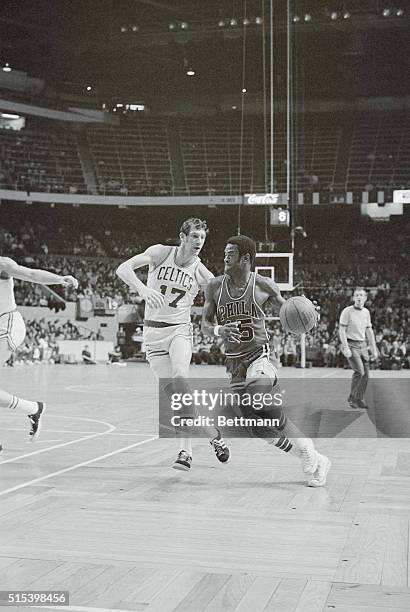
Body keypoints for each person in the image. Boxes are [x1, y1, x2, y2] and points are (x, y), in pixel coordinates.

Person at [201, 235, 331, 487]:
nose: (224, 257)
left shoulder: (264, 285)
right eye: (225, 252)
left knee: (258, 397)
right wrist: (218, 330)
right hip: (233, 364)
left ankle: (305, 445)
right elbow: (205, 325)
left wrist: (308, 313)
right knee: (256, 428)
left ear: (246, 258)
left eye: (230, 253)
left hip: (258, 356)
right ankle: (316, 458)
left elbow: (291, 312)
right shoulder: (214, 287)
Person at [116, 217, 230, 471]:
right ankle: (214, 435)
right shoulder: (159, 253)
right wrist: (142, 289)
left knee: (181, 377)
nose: (199, 242)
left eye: (202, 237)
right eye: (194, 237)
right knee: (179, 400)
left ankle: (184, 452)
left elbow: (219, 300)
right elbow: (123, 269)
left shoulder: (201, 272)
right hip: (153, 334)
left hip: (180, 331)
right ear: (183, 237)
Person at [0, 256, 78, 443]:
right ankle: (34, 408)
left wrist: (60, 279)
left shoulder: (2, 264)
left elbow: (31, 274)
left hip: (7, 322)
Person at [339, 287, 378, 409]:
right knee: (359, 371)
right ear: (353, 297)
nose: (359, 297)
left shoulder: (366, 312)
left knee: (366, 374)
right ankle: (352, 397)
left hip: (363, 345)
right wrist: (345, 347)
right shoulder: (347, 311)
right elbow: (342, 330)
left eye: (361, 295)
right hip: (351, 344)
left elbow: (369, 331)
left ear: (365, 298)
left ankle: (359, 399)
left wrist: (374, 348)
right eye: (357, 295)